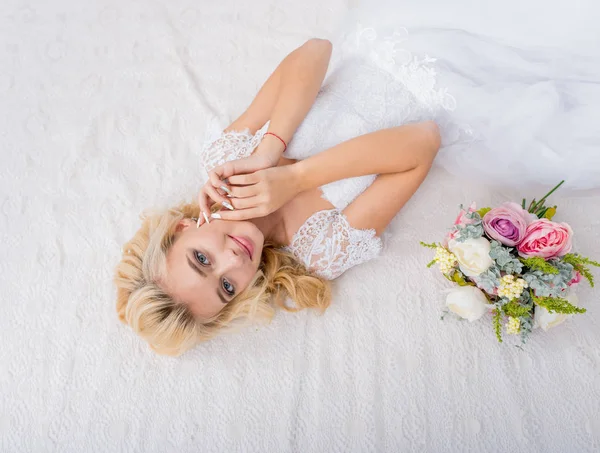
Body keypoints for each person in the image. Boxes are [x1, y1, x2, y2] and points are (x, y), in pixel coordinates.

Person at [114, 35, 444, 356]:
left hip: (391, 40)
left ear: (182, 229)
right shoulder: (320, 251)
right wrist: (294, 179)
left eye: (202, 259)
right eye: (227, 287)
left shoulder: (226, 158)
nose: (233, 261)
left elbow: (317, 50)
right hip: (442, 90)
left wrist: (269, 151)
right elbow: (424, 141)